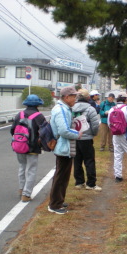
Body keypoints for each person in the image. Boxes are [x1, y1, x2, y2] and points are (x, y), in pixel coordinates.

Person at [48, 87, 82, 215]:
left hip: (65, 146)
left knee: (63, 175)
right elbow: (63, 130)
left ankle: (58, 200)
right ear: (67, 97)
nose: (75, 99)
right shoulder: (61, 110)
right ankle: (55, 204)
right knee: (61, 176)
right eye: (74, 97)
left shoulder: (64, 108)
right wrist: (77, 134)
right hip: (63, 147)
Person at [10, 94, 46, 202]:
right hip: (33, 148)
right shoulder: (39, 116)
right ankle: (26, 194)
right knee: (31, 170)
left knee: (22, 167)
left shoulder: (19, 114)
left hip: (19, 146)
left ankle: (21, 189)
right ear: (38, 105)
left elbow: (12, 130)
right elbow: (44, 133)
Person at [72, 89, 102, 191]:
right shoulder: (90, 109)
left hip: (75, 137)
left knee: (77, 160)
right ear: (88, 98)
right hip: (87, 138)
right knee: (89, 161)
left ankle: (79, 182)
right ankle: (91, 183)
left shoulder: (71, 108)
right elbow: (95, 125)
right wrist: (94, 134)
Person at [107, 92, 127, 182]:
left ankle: (118, 175)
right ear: (125, 99)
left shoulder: (112, 109)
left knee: (117, 154)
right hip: (125, 134)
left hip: (115, 134)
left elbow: (109, 123)